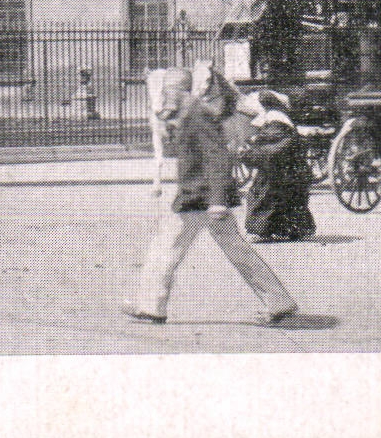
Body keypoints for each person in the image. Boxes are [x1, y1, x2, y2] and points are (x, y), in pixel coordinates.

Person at [126, 62, 298, 326]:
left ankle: (151, 306)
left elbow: (217, 156)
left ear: (181, 90)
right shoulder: (186, 112)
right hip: (203, 197)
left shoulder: (196, 113)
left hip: (202, 199)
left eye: (170, 89)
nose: (166, 94)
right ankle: (279, 302)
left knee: (166, 248)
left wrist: (217, 202)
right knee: (237, 250)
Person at [240, 93, 316, 242]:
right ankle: (290, 229)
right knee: (286, 199)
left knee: (266, 195)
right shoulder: (279, 122)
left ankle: (262, 230)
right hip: (288, 171)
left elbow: (272, 150)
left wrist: (249, 154)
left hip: (281, 172)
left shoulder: (277, 123)